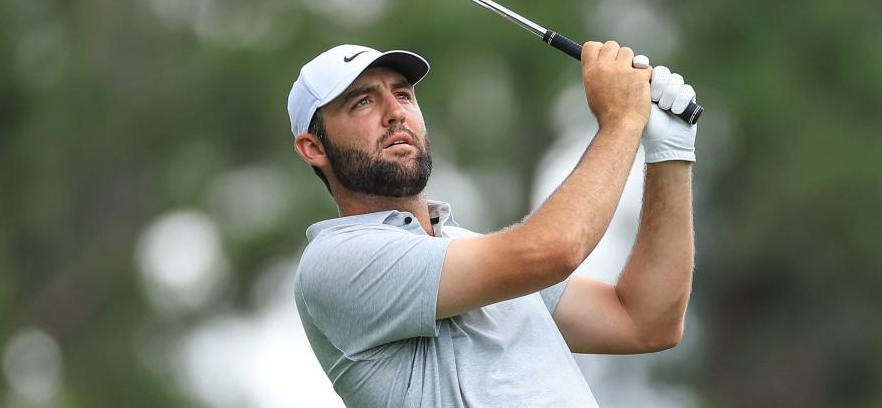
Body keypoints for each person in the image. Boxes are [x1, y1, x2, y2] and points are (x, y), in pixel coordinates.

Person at [287, 41, 697, 407]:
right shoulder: (335, 262)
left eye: (403, 94)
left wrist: (670, 152)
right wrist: (622, 122)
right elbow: (555, 250)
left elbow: (644, 321)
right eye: (363, 102)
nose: (395, 113)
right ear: (314, 148)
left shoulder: (468, 248)